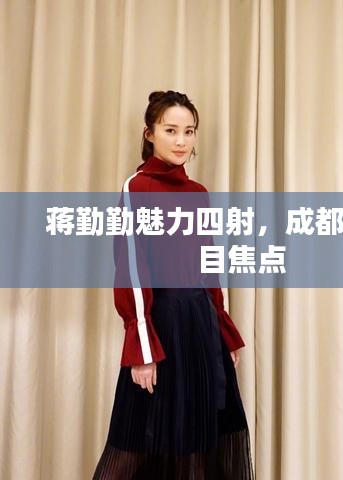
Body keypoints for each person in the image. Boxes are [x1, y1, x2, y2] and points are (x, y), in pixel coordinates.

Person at [92, 90, 254, 479]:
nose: (181, 141)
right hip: (161, 326)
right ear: (149, 133)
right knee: (138, 441)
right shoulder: (138, 188)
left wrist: (223, 330)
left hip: (200, 326)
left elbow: (208, 265)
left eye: (189, 131)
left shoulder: (199, 194)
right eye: (170, 130)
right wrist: (142, 348)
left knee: (196, 447)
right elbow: (131, 269)